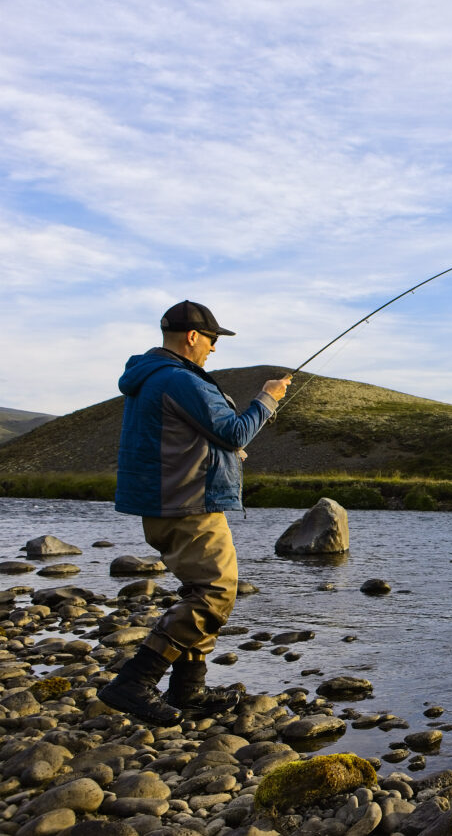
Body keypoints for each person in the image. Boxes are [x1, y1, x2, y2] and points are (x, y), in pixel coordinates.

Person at [100, 300, 291, 725]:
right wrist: (268, 397)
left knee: (201, 590)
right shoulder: (180, 380)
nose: (213, 348)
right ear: (192, 337)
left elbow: (192, 439)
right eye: (211, 339)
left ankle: (188, 689)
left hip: (171, 502)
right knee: (216, 593)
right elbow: (235, 430)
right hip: (188, 505)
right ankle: (135, 680)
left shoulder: (151, 377)